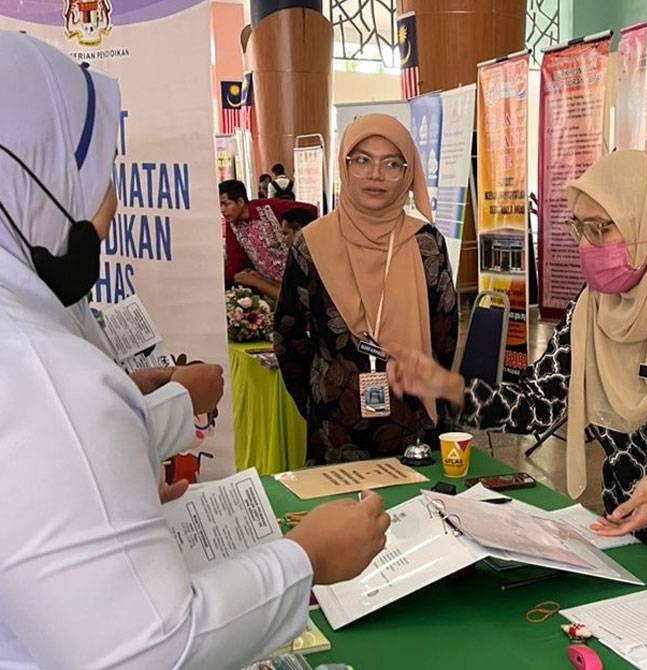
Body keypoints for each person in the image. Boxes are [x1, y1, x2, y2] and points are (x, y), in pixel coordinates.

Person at [0, 31, 389, 669]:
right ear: (34, 181)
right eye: (98, 180)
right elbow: (150, 650)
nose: (110, 208)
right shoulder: (42, 372)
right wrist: (308, 558)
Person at [388, 150, 647, 598]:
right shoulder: (590, 311)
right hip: (629, 552)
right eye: (580, 227)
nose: (586, 245)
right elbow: (539, 402)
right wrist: (446, 385)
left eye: (602, 228)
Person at [274, 114, 458, 464]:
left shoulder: (426, 244)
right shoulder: (311, 244)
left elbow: (444, 337)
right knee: (343, 517)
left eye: (391, 164)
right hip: (335, 428)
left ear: (408, 173)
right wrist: (319, 398)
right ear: (344, 166)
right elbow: (288, 337)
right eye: (362, 160)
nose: (375, 175)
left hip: (415, 422)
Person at [219, 179, 316, 300]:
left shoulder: (269, 207)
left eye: (226, 204)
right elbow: (236, 259)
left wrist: (299, 241)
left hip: (298, 277)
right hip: (270, 286)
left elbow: (311, 210)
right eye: (220, 205)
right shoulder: (232, 224)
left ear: (240, 201)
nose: (222, 210)